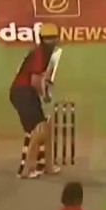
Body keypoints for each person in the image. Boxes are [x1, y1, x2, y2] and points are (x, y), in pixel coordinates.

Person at [10, 22, 62, 179]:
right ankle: (27, 170)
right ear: (42, 39)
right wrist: (45, 95)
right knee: (39, 130)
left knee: (46, 129)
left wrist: (45, 88)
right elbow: (34, 80)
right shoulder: (40, 54)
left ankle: (49, 166)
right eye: (48, 38)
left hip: (27, 92)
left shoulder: (45, 53)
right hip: (22, 92)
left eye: (53, 38)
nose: (51, 41)